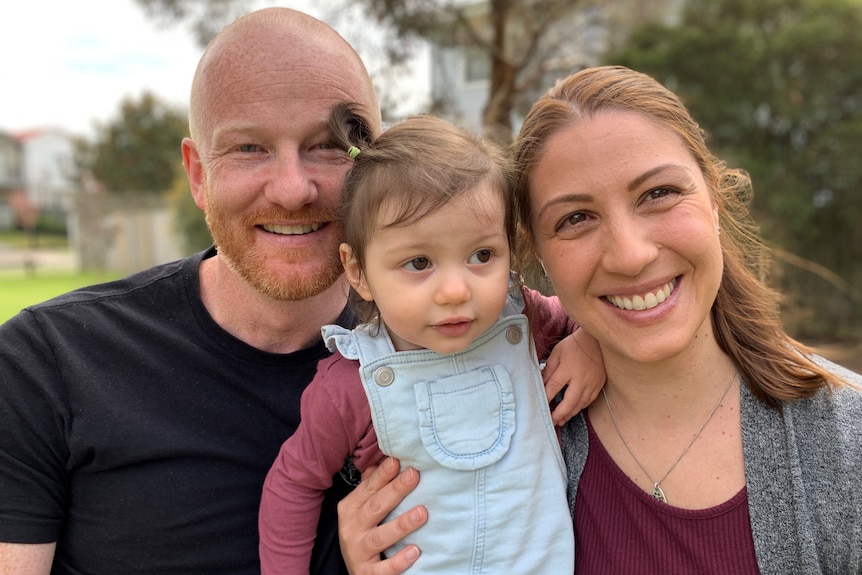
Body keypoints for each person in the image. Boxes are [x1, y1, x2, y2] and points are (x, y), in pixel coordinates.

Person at [337, 65, 862, 575]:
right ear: (536, 257)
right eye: (576, 219)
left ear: (714, 202)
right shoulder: (509, 427)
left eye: (659, 194)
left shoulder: (844, 442)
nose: (630, 256)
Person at [0, 8, 381, 574]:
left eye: (329, 146)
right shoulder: (45, 364)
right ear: (199, 174)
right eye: (249, 148)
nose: (293, 188)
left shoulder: (456, 346)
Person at [258, 109, 604, 574]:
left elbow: (595, 318)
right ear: (357, 270)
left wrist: (591, 342)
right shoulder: (351, 384)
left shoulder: (522, 319)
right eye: (419, 262)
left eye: (482, 255)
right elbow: (294, 485)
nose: (456, 291)